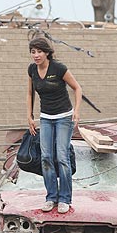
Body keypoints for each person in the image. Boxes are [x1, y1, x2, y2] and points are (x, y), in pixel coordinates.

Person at [27, 36, 82, 214]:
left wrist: (77, 111)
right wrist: (29, 115)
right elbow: (30, 93)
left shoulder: (58, 68)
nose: (36, 55)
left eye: (39, 52)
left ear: (47, 53)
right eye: (33, 52)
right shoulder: (32, 70)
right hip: (46, 117)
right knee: (45, 157)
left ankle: (65, 198)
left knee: (62, 157)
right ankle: (51, 196)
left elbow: (77, 88)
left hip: (64, 116)